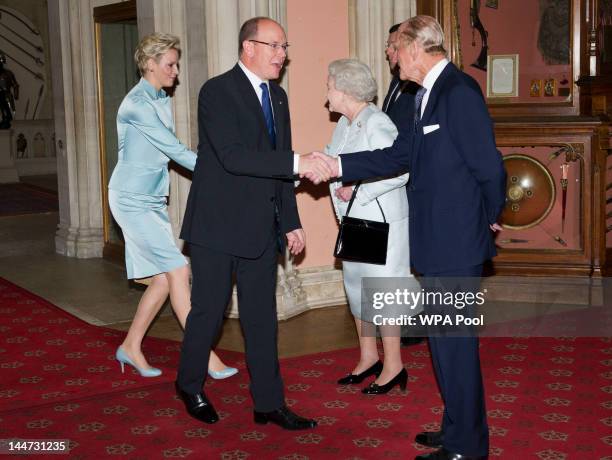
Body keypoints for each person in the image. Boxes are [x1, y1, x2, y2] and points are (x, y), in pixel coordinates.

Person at [308, 15, 506, 460]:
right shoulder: (427, 96)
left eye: (397, 46)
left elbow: (489, 166)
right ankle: (456, 426)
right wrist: (338, 165)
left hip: (455, 243)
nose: (392, 58)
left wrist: (491, 215)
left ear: (418, 47)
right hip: (435, 241)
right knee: (443, 346)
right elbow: (399, 156)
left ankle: (467, 447)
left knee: (455, 347)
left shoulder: (457, 92)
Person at [176, 17, 321, 429]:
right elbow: (234, 157)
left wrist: (290, 220)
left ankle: (269, 404)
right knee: (209, 312)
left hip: (261, 227)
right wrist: (299, 163)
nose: (282, 54)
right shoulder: (217, 92)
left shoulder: (278, 98)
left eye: (285, 46)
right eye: (274, 46)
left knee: (262, 319)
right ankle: (189, 384)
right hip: (217, 227)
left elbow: (277, 168)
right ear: (248, 48)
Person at [108, 33, 237, 380]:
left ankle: (131, 347)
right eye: (170, 64)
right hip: (131, 199)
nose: (176, 71)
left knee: (164, 281)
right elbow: (175, 151)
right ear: (150, 64)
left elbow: (174, 150)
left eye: (177, 64)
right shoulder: (136, 104)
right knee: (179, 270)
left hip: (151, 199)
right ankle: (205, 356)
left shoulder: (158, 98)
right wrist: (225, 169)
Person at [324, 58, 420, 394]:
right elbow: (333, 161)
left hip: (380, 219)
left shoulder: (378, 123)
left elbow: (401, 170)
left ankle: (394, 365)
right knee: (356, 289)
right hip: (355, 221)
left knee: (383, 293)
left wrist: (359, 187)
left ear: (346, 89)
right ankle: (368, 357)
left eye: (330, 86)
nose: (327, 94)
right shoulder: (344, 124)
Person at [382, 23, 424, 347]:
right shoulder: (397, 84)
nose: (388, 51)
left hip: (411, 180)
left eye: (393, 45)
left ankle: (418, 319)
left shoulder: (413, 86)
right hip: (397, 177)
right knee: (402, 257)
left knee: (410, 256)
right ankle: (412, 319)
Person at [0, 55, 19, 129]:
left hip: (6, 95)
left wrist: (16, 94)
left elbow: (15, 85)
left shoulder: (8, 73)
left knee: (8, 112)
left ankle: (7, 119)